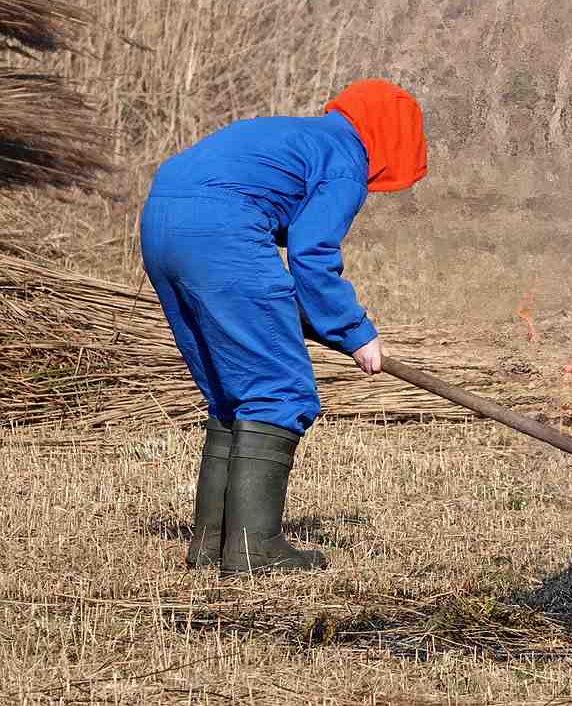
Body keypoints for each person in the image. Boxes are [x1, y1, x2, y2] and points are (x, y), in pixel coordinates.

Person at [140, 80, 427, 575]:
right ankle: (255, 550)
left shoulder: (299, 135)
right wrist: (356, 332)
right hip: (222, 229)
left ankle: (212, 545)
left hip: (160, 222)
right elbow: (312, 255)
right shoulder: (345, 161)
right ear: (394, 137)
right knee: (278, 392)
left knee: (234, 394)